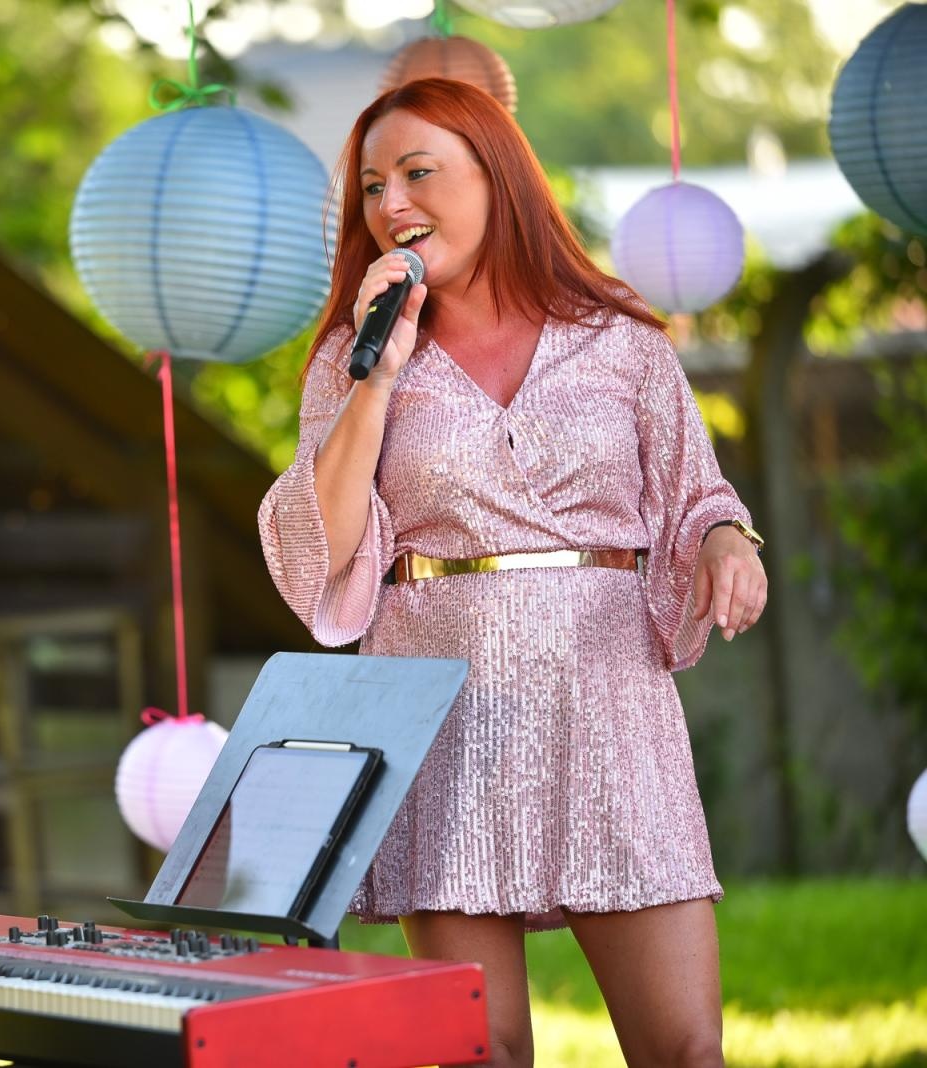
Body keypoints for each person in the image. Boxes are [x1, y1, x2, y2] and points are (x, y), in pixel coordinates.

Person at [258, 79, 767, 1067]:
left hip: (609, 708)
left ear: (494, 175)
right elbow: (320, 541)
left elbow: (696, 493)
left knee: (685, 1050)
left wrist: (725, 543)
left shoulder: (619, 337)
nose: (390, 206)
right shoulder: (348, 360)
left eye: (417, 173)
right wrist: (381, 377)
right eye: (370, 187)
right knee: (477, 1055)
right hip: (441, 716)